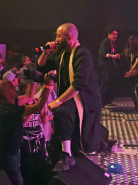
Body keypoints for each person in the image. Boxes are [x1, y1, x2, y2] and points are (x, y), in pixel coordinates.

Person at [38, 23, 102, 172]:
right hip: (69, 95)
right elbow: (41, 66)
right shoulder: (61, 52)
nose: (56, 39)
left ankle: (67, 154)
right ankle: (65, 151)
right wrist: (46, 52)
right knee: (61, 118)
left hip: (83, 97)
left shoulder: (82, 53)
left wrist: (58, 101)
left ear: (69, 37)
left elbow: (79, 84)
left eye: (59, 36)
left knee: (62, 112)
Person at [0, 75, 53, 185]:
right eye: (11, 86)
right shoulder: (9, 110)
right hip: (9, 153)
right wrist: (48, 86)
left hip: (14, 149)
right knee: (18, 181)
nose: (14, 86)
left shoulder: (10, 102)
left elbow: (29, 96)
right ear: (6, 94)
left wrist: (33, 80)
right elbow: (37, 107)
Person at [98, 26, 122, 107]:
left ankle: (107, 102)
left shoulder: (113, 43)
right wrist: (113, 56)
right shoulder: (105, 42)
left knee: (111, 84)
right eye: (114, 34)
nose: (115, 36)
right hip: (105, 67)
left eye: (116, 34)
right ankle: (100, 103)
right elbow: (102, 54)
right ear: (109, 34)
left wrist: (117, 56)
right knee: (104, 84)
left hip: (111, 67)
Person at [123, 35, 138, 111]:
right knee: (132, 90)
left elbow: (137, 62)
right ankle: (136, 106)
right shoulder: (129, 50)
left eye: (132, 42)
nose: (130, 44)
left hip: (137, 71)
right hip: (131, 72)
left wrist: (130, 72)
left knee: (136, 90)